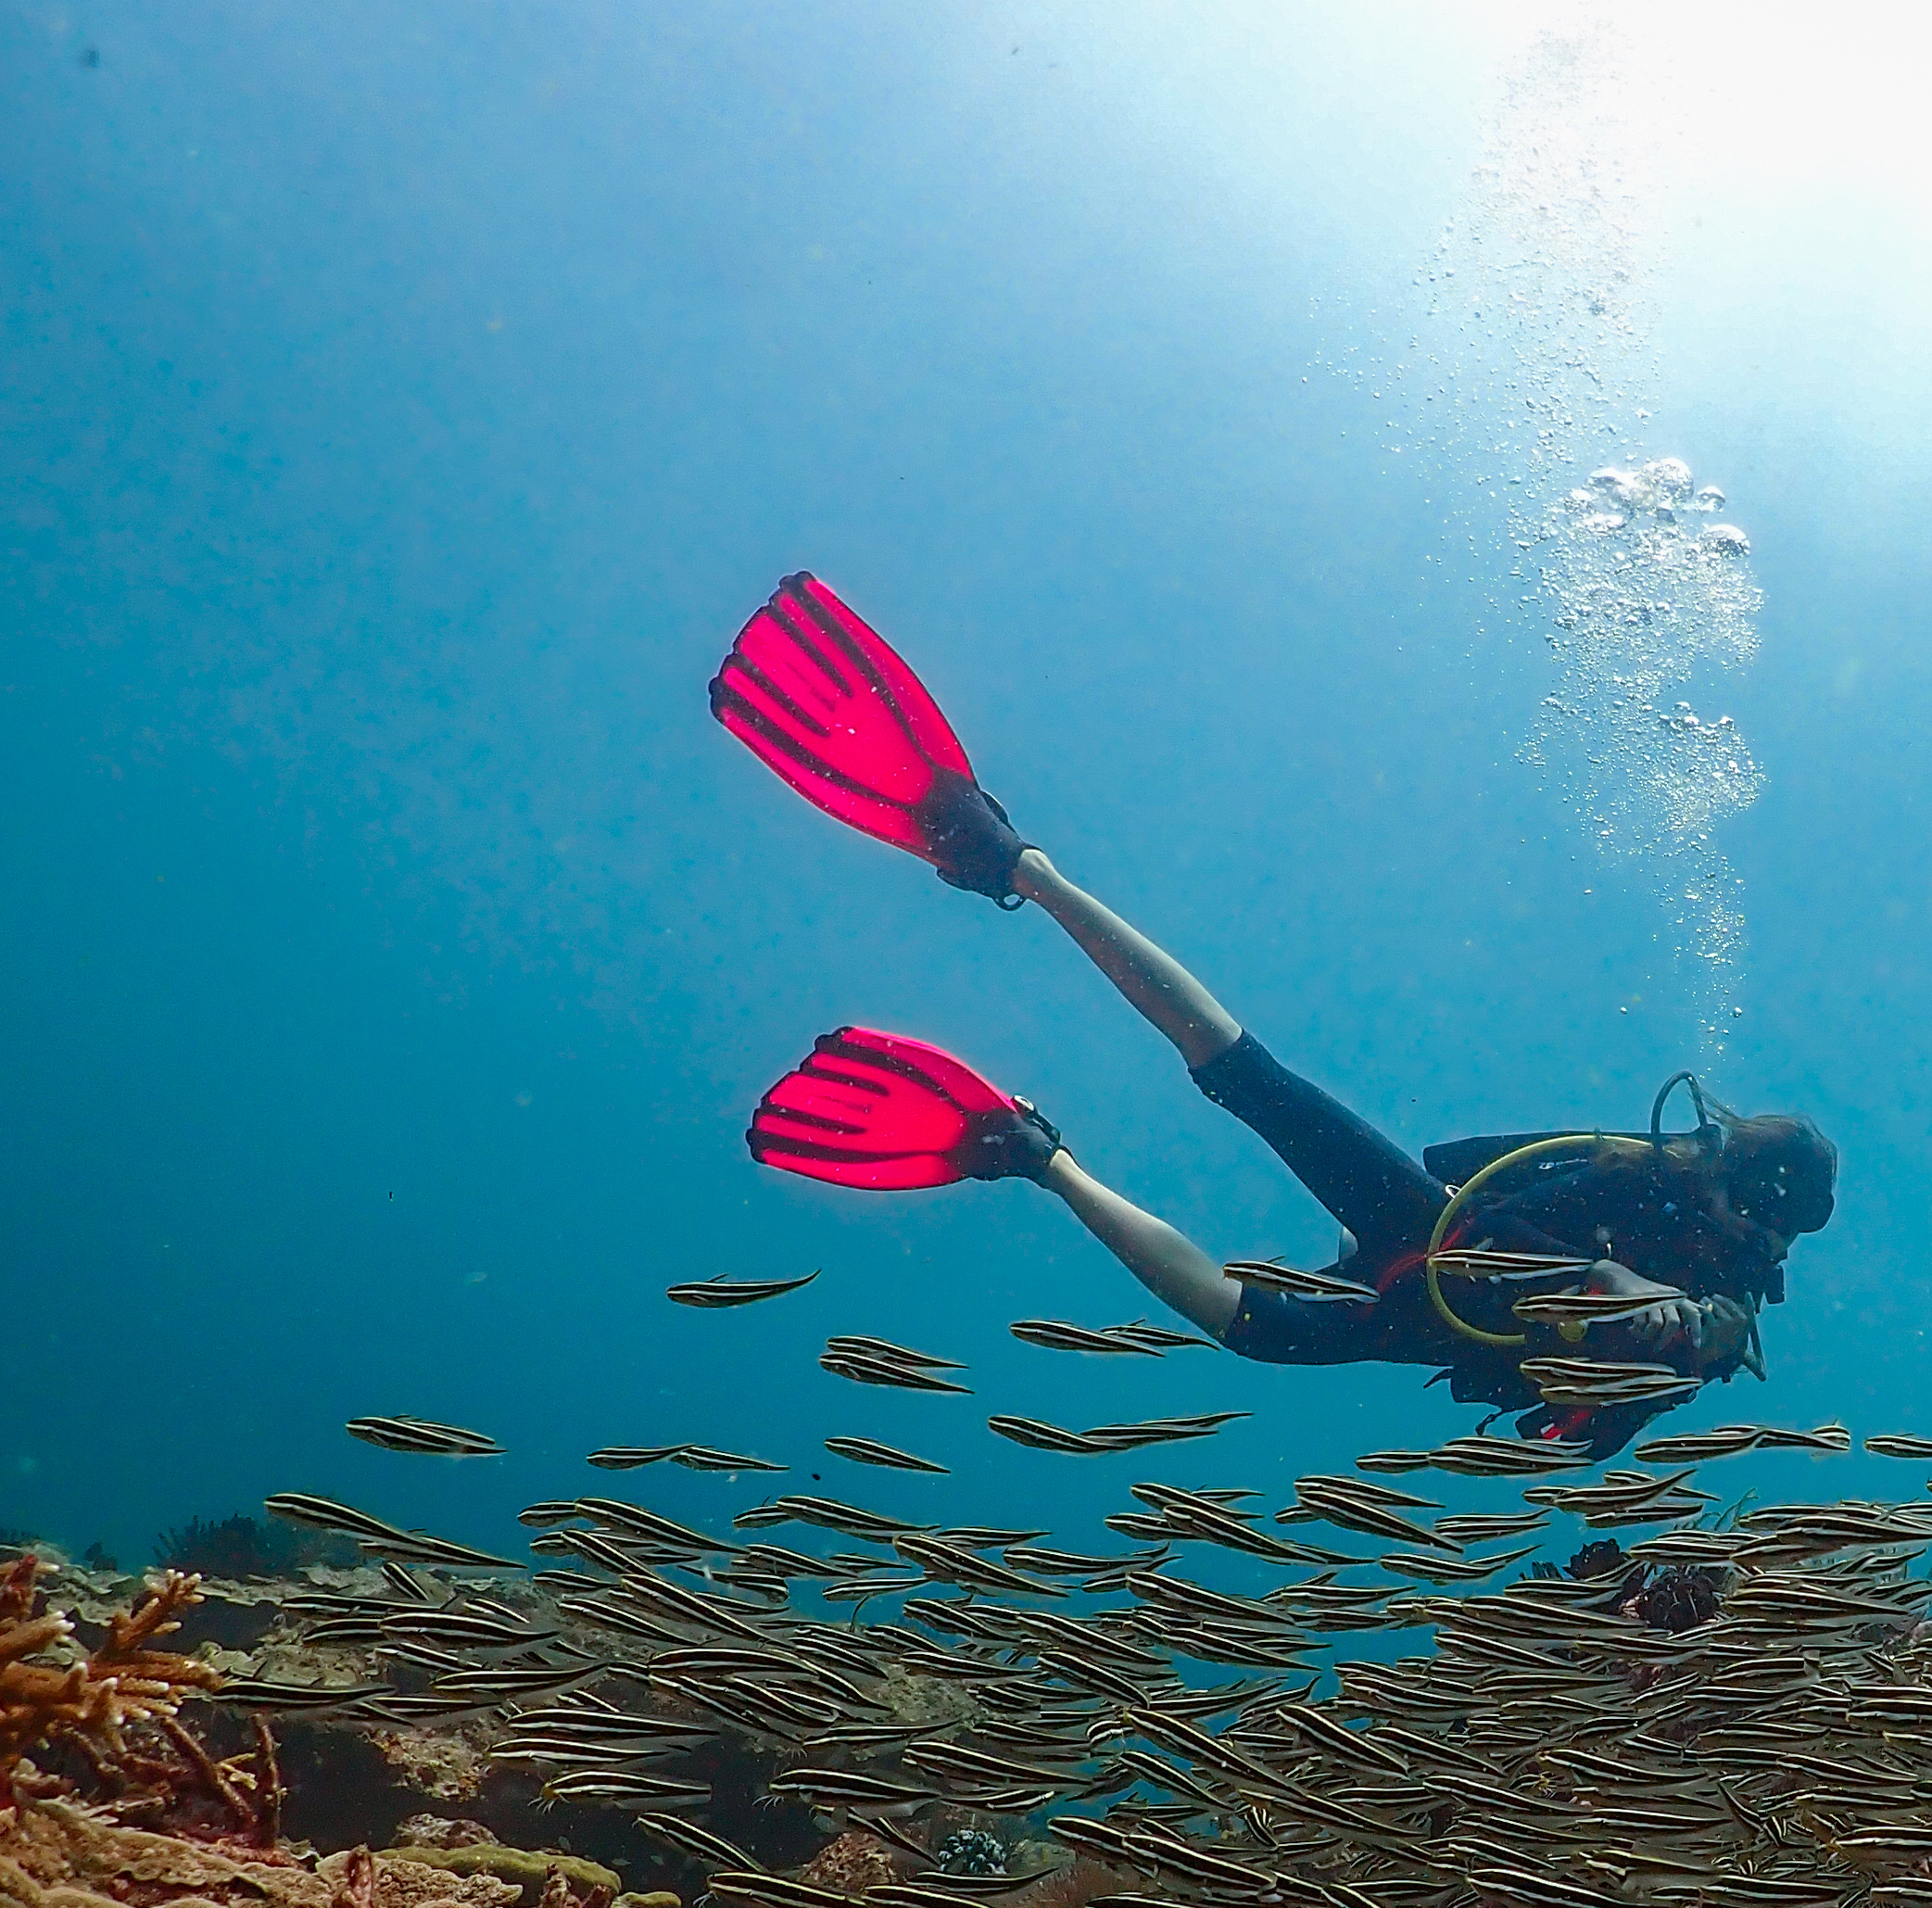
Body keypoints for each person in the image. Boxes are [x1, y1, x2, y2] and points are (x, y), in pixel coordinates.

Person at [717, 572, 1837, 1458]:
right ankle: (1010, 859)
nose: (1756, 1232)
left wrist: (1648, 1365)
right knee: (1245, 1075)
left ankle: (1033, 1155)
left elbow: (1619, 1407)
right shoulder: (1647, 1176)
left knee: (1249, 1329)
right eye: (1755, 1204)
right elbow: (1510, 1201)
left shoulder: (1727, 1304)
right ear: (1727, 1171)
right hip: (1438, 1225)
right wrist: (1617, 1294)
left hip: (1421, 1317)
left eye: (1774, 1226)